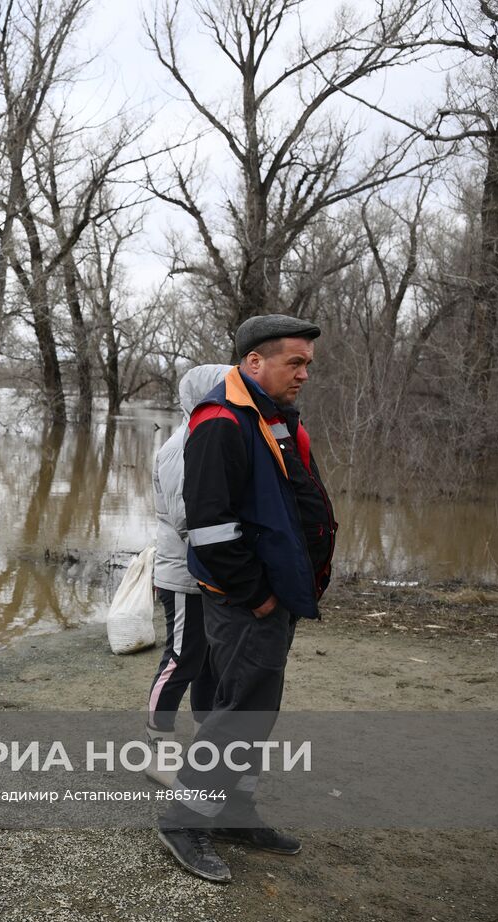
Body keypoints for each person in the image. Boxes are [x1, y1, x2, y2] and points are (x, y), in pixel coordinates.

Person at [155, 314, 338, 884]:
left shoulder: (271, 417)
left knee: (255, 711)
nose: (305, 372)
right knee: (239, 713)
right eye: (295, 361)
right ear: (254, 362)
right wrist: (255, 594)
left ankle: (233, 812)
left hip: (279, 593)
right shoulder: (220, 422)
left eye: (308, 363)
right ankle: (183, 819)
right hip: (247, 600)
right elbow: (208, 525)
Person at [146, 363, 230, 786]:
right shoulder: (182, 446)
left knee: (211, 664)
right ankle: (157, 751)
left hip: (210, 574)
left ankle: (203, 747)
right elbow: (186, 518)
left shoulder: (210, 436)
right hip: (183, 574)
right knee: (182, 659)